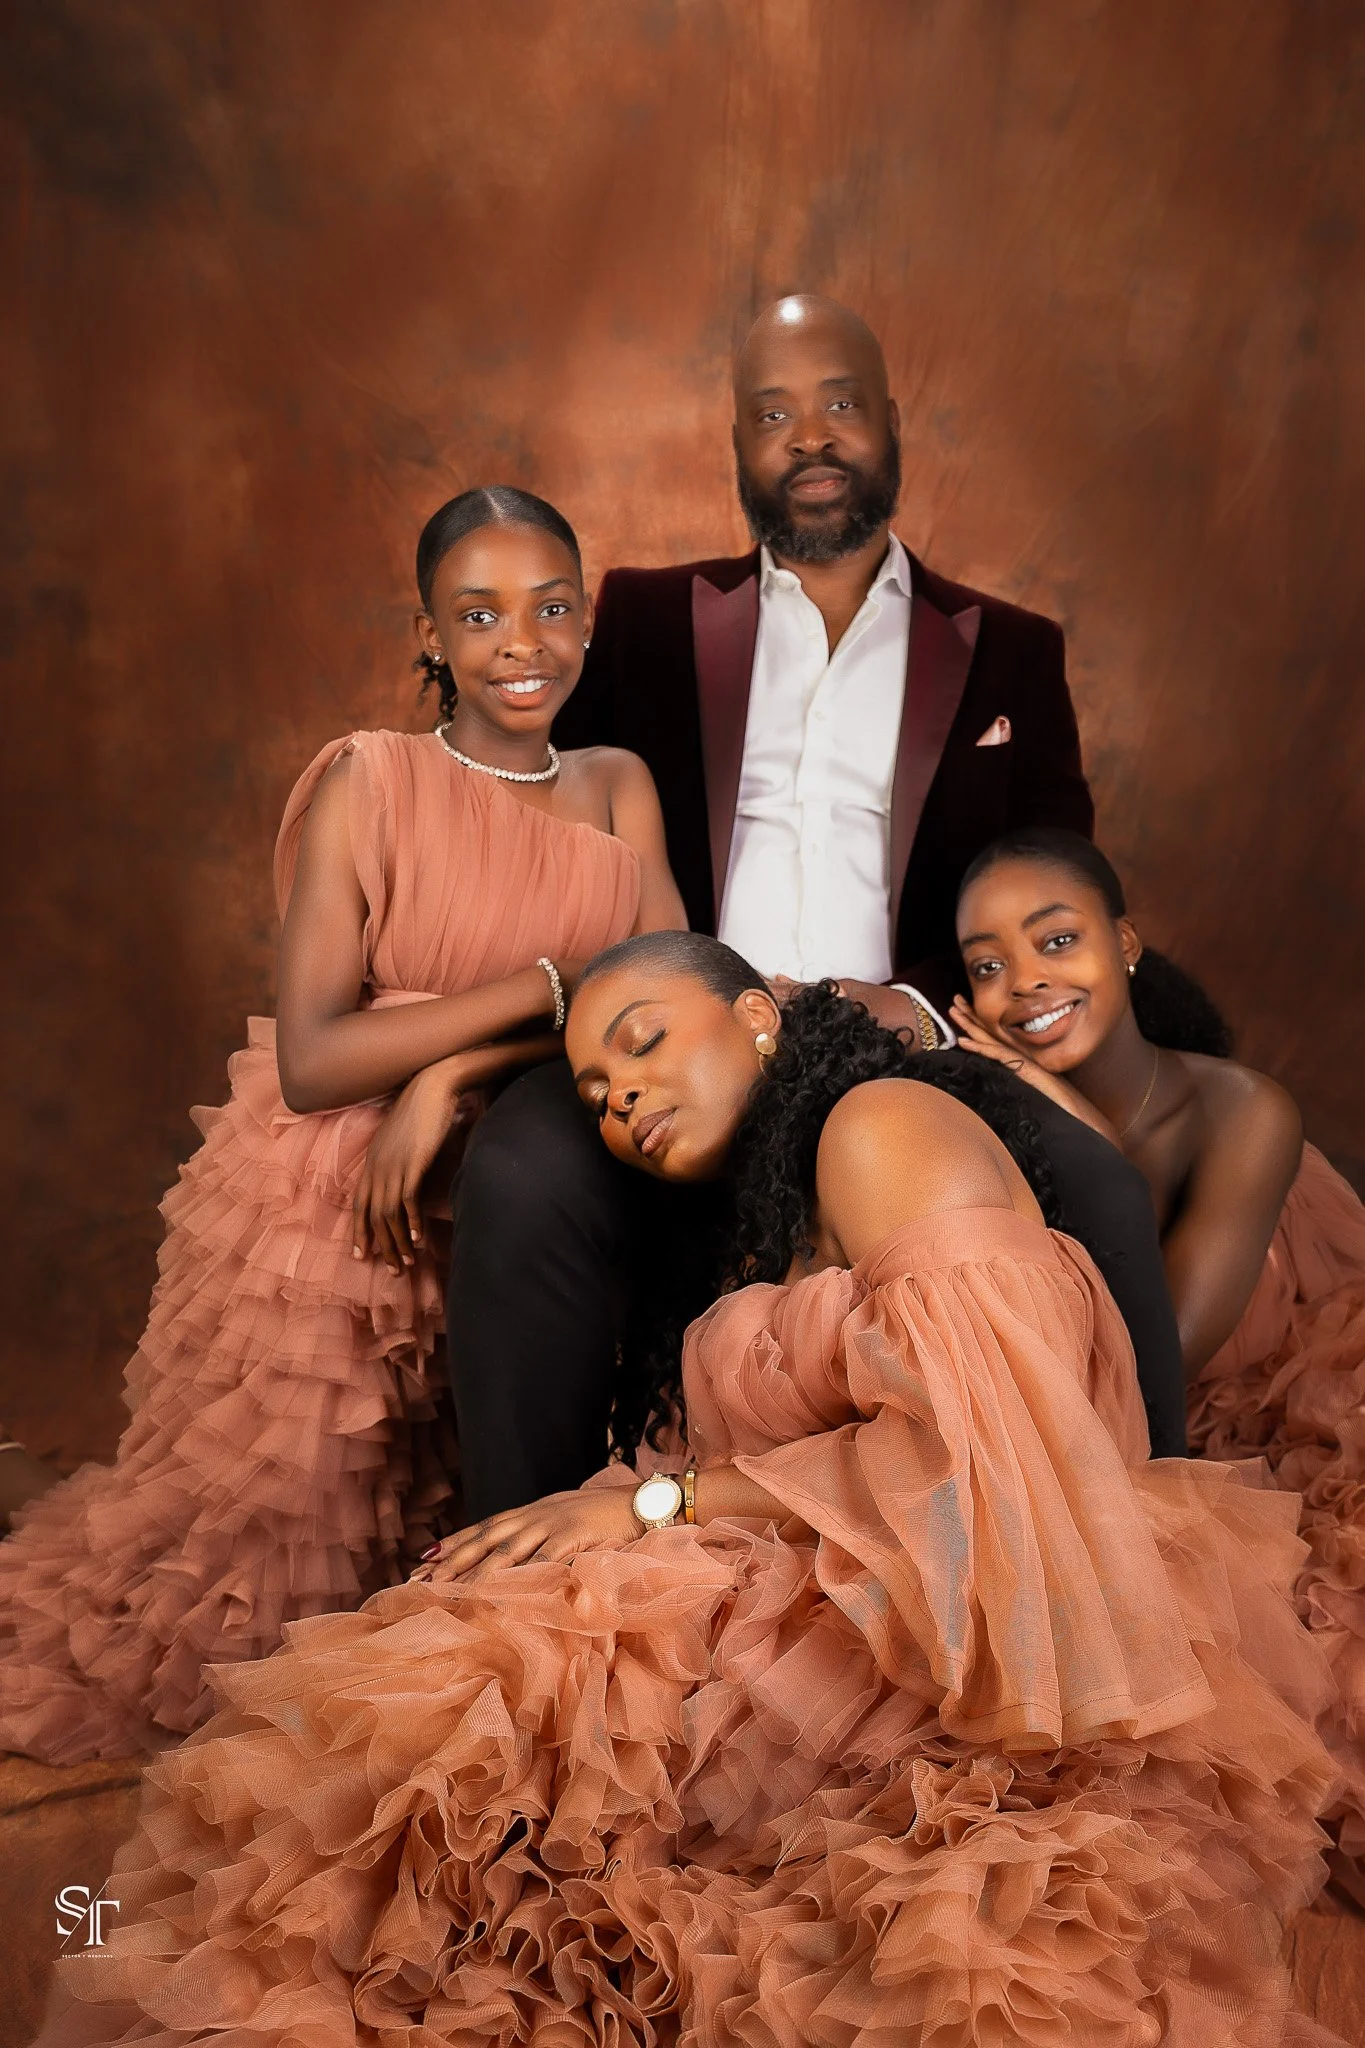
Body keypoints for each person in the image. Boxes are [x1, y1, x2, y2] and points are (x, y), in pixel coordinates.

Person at [39, 932, 1340, 2048]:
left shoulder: (879, 1125)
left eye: (647, 1042)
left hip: (944, 1612)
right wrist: (602, 1514)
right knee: (436, 1729)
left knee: (459, 1740)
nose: (622, 1099)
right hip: (832, 1568)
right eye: (600, 1088)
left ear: (763, 1013)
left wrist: (648, 1512)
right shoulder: (787, 1193)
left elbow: (969, 1461)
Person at [447, 293, 1186, 1515]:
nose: (808, 437)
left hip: (904, 1036)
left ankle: (1147, 1544)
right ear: (735, 444)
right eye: (772, 413)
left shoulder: (1010, 650)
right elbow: (519, 803)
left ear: (891, 422)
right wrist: (447, 1059)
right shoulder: (641, 615)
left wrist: (927, 1007)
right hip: (673, 1021)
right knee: (522, 1167)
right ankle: (510, 1549)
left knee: (1101, 1192)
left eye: (838, 403)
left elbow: (1055, 873)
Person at [0, 486, 682, 1766]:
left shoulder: (618, 788)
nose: (519, 644)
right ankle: (20, 1494)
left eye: (549, 608)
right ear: (429, 632)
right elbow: (314, 1057)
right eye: (479, 615)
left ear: (586, 619)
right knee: (265, 1614)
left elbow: (668, 999)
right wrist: (536, 994)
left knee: (456, 1541)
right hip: (345, 1197)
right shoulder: (375, 777)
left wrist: (460, 1074)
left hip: (501, 1149)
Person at [949, 824, 1365, 1878]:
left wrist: (1063, 1118)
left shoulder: (1242, 1108)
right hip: (1121, 1407)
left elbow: (1160, 1357)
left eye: (1056, 941)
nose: (1024, 984)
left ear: (1125, 941)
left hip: (1261, 1372)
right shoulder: (982, 1110)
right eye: (987, 967)